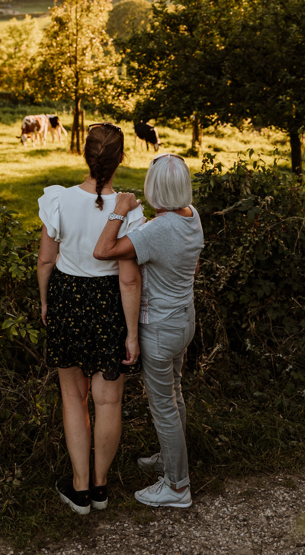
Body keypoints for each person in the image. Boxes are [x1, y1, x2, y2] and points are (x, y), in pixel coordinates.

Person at [37, 123, 144, 515]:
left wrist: (46, 302)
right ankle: (100, 488)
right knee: (109, 399)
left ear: (86, 155)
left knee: (73, 397)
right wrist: (131, 333)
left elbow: (47, 260)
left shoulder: (58, 200)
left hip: (67, 295)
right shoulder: (129, 209)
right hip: (109, 302)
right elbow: (130, 279)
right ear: (120, 160)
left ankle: (79, 488)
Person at [93, 153, 203, 509]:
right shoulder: (192, 216)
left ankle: (176, 486)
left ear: (154, 187)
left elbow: (103, 250)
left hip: (159, 329)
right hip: (184, 318)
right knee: (176, 394)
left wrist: (119, 211)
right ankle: (171, 458)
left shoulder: (157, 230)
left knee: (164, 407)